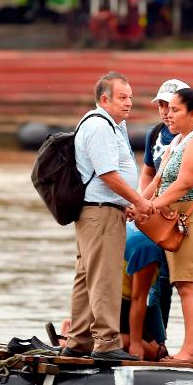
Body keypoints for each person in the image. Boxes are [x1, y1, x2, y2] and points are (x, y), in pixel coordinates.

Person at [65, 72, 152, 361]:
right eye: (122, 97)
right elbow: (107, 173)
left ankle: (78, 341)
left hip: (100, 209)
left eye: (130, 96)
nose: (129, 102)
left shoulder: (112, 125)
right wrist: (138, 200)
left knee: (86, 276)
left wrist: (123, 202)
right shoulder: (100, 126)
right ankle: (106, 343)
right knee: (105, 276)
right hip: (100, 213)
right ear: (105, 99)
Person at [140, 78, 193, 363]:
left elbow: (184, 184)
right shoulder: (177, 141)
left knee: (191, 286)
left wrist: (150, 207)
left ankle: (191, 351)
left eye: (175, 110)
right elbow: (159, 179)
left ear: (192, 114)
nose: (169, 115)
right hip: (175, 218)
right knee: (181, 284)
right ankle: (186, 349)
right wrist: (139, 204)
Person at [121, 223, 168, 360]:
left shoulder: (129, 226)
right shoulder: (149, 248)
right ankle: (88, 341)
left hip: (104, 300)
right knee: (154, 354)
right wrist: (135, 344)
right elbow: (138, 299)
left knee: (158, 350)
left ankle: (74, 331)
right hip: (120, 305)